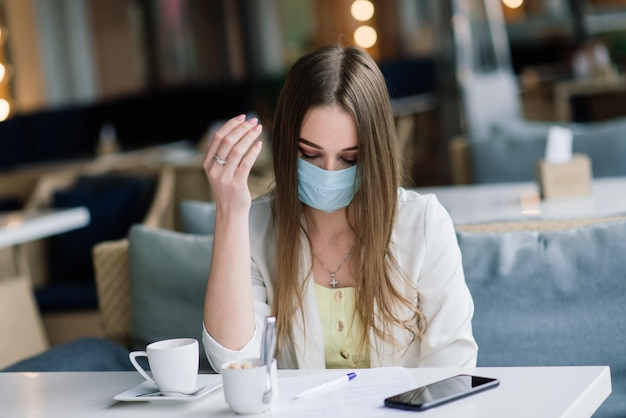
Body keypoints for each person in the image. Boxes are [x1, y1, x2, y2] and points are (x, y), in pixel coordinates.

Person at [201, 44, 477, 371]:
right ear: (287, 146)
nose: (329, 173)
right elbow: (233, 362)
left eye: (350, 158)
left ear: (374, 154)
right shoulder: (255, 227)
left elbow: (453, 367)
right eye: (310, 154)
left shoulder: (424, 224)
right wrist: (230, 212)